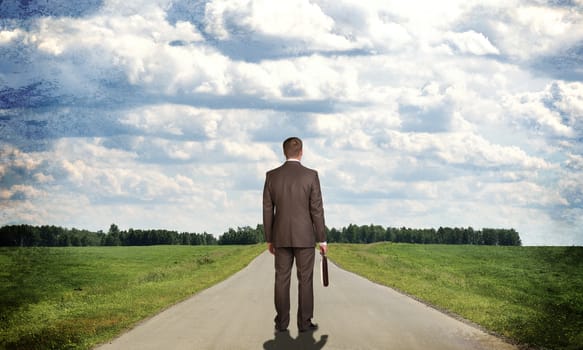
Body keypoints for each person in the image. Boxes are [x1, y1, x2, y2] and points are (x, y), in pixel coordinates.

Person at [262, 136, 328, 333]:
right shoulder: (311, 175)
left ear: (284, 152)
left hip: (280, 236)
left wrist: (269, 238)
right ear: (301, 152)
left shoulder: (271, 176)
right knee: (305, 280)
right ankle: (304, 324)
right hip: (305, 237)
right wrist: (322, 238)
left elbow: (267, 210)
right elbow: (317, 209)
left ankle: (281, 324)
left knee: (281, 279)